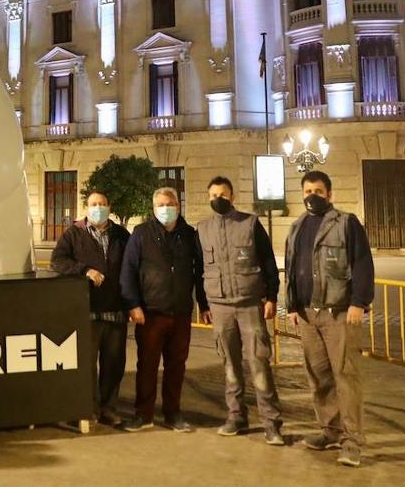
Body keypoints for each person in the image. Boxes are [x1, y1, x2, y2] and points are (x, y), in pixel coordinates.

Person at [285, 170, 375, 468]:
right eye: (308, 190)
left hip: (339, 312)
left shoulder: (346, 223)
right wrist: (293, 306)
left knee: (345, 376)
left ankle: (352, 441)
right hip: (308, 313)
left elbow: (362, 262)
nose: (313, 195)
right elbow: (292, 267)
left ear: (330, 194)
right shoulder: (297, 226)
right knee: (319, 375)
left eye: (319, 190)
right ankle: (330, 430)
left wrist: (359, 302)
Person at [196, 176, 283, 444]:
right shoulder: (202, 228)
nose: (217, 199)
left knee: (259, 363)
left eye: (222, 195)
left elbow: (268, 260)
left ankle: (271, 423)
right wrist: (202, 304)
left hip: (249, 304)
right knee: (230, 365)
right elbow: (199, 269)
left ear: (232, 196)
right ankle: (236, 416)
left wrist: (271, 297)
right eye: (212, 195)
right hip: (220, 306)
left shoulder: (251, 224)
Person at [119, 186, 209, 432]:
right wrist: (133, 304)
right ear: (153, 208)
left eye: (170, 204)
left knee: (176, 366)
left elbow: (199, 271)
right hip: (150, 313)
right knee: (146, 365)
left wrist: (203, 303)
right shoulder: (141, 234)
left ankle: (173, 414)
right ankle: (143, 414)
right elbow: (128, 270)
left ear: (178, 206)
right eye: (161, 205)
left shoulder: (190, 235)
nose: (166, 209)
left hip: (180, 313)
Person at [50, 190, 130, 425]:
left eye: (103, 204)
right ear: (86, 207)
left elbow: (132, 266)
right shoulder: (73, 234)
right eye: (94, 204)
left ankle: (109, 408)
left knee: (113, 364)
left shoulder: (121, 235)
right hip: (88, 310)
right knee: (86, 364)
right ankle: (88, 409)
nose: (99, 207)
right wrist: (84, 270)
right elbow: (58, 260)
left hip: (116, 310)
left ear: (109, 207)